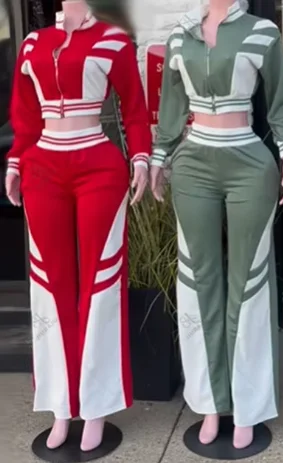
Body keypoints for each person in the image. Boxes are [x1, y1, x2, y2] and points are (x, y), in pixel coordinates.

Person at [4, 0, 150, 452]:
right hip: (43, 168)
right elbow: (25, 116)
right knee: (51, 287)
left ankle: (97, 405)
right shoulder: (33, 44)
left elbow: (133, 107)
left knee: (100, 284)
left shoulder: (112, 40)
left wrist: (141, 158)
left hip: (99, 167)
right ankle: (60, 404)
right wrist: (14, 162)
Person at [150, 0, 283, 450]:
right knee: (198, 283)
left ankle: (248, 406)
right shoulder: (180, 36)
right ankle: (210, 403)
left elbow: (280, 101)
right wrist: (158, 157)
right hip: (193, 163)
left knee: (249, 284)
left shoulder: (262, 32)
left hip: (249, 162)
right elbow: (171, 104)